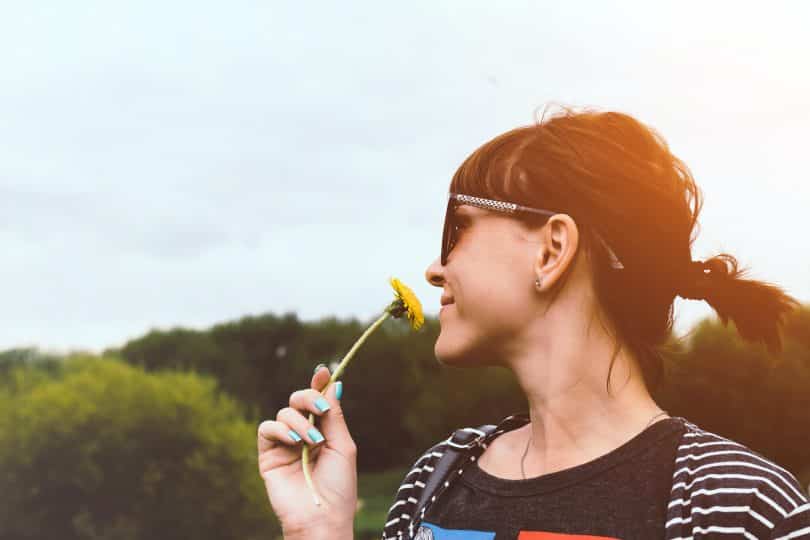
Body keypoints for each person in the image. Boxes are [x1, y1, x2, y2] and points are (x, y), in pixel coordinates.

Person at [257, 107, 810, 539]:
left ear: (552, 249)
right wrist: (320, 532)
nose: (433, 268)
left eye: (457, 229)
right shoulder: (434, 481)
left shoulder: (739, 508)